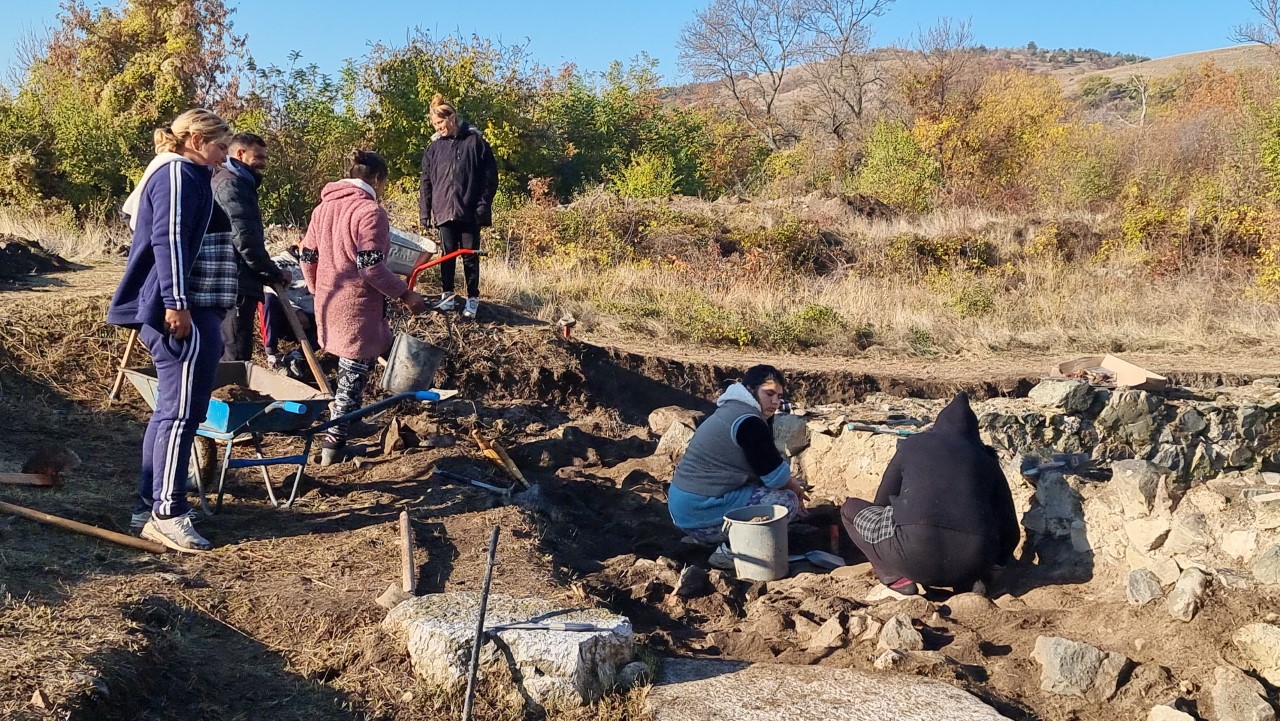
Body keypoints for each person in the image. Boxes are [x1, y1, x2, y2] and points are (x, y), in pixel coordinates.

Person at [107, 108, 235, 553]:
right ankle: (168, 513)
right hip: (179, 311)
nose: (223, 158)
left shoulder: (181, 174)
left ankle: (151, 504)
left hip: (184, 308)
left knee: (171, 412)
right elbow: (170, 241)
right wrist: (177, 303)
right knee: (181, 415)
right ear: (197, 141)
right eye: (220, 147)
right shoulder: (178, 175)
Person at [301, 150, 427, 465]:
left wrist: (319, 290)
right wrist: (405, 294)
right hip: (356, 305)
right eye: (385, 183)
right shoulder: (369, 212)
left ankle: (352, 422)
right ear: (376, 179)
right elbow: (370, 267)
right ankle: (333, 446)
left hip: (330, 301)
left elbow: (306, 256)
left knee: (357, 363)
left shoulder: (323, 208)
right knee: (353, 373)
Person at [840, 392, 1020, 596]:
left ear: (938, 425)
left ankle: (894, 577)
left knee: (849, 509)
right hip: (972, 564)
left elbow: (880, 503)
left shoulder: (913, 444)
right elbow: (1011, 532)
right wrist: (992, 568)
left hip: (911, 558)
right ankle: (969, 583)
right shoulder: (987, 460)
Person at [668, 365, 808, 569]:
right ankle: (732, 552)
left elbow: (763, 467)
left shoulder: (732, 410)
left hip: (685, 507)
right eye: (769, 394)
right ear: (751, 390)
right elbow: (775, 477)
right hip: (697, 512)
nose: (776, 402)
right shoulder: (749, 422)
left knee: (784, 488)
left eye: (779, 396)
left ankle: (710, 536)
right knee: (786, 502)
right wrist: (797, 491)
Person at [418, 93, 498, 320]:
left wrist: (483, 207)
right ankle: (448, 296)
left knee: (470, 256)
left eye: (441, 122)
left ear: (451, 117)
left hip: (470, 210)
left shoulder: (475, 142)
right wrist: (425, 211)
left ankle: (473, 298)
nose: (438, 127)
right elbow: (426, 182)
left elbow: (490, 179)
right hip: (443, 210)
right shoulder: (434, 149)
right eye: (435, 124)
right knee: (447, 255)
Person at [214, 132, 290, 361]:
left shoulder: (238, 183)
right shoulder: (231, 185)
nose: (263, 164)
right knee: (235, 353)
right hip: (234, 282)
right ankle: (230, 395)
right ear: (240, 153)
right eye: (259, 157)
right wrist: (272, 272)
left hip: (233, 279)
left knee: (228, 349)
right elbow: (245, 240)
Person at [260, 242, 318, 378]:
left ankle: (296, 357)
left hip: (312, 319)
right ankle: (272, 355)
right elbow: (269, 288)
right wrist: (295, 310)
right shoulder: (278, 263)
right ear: (299, 242)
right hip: (285, 316)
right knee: (267, 298)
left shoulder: (322, 264)